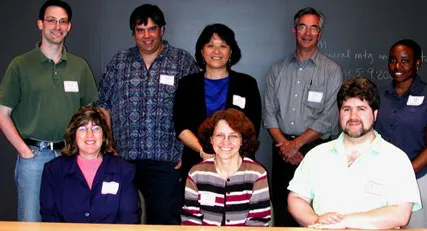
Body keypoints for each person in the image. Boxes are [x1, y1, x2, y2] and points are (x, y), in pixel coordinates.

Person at [98, 4, 198, 225]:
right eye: (140, 30)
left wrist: (188, 150)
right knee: (124, 219)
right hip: (124, 158)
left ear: (162, 30)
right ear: (133, 32)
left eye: (152, 29)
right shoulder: (119, 61)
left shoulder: (182, 61)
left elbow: (195, 108)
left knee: (165, 221)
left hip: (167, 160)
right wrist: (108, 143)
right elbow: (103, 104)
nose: (147, 36)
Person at [0, 0, 98, 222]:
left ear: (69, 26)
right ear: (40, 24)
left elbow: (91, 112)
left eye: (63, 21)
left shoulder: (79, 66)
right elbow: (2, 113)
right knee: (31, 220)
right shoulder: (21, 65)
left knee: (71, 219)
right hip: (34, 157)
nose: (57, 26)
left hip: (70, 156)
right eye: (51, 20)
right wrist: (25, 152)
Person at [287, 77, 421, 229]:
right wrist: (315, 221)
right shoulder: (316, 155)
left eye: (361, 109)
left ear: (375, 114)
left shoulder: (396, 160)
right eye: (347, 109)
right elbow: (296, 198)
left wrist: (343, 222)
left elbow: (401, 214)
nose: (353, 117)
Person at [263, 7, 343, 226]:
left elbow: (329, 116)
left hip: (316, 150)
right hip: (281, 150)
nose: (307, 33)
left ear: (320, 33)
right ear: (294, 30)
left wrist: (295, 146)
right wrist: (285, 146)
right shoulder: (277, 69)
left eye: (313, 27)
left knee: (315, 213)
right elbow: (269, 113)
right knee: (281, 208)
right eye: (302, 26)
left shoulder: (332, 71)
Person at [174, 23, 262, 182]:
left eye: (223, 46)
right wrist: (204, 152)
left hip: (238, 163)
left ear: (231, 51)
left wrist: (229, 153)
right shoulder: (187, 84)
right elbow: (181, 126)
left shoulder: (247, 84)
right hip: (197, 161)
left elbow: (252, 126)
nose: (216, 51)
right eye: (210, 46)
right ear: (202, 50)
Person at [375, 39, 427, 228]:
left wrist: (404, 172)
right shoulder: (379, 95)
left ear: (417, 63)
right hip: (380, 178)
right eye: (392, 60)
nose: (397, 66)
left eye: (405, 60)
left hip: (418, 179)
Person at [40, 105, 140, 223]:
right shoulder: (53, 170)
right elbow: (50, 216)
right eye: (82, 128)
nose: (90, 134)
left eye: (96, 128)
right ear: (73, 135)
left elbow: (129, 218)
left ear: (104, 135)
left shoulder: (124, 170)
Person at [181, 108, 271, 226]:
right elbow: (190, 220)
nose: (226, 142)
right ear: (211, 139)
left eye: (233, 136)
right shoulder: (196, 174)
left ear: (242, 140)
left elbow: (259, 223)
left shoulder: (257, 174)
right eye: (219, 135)